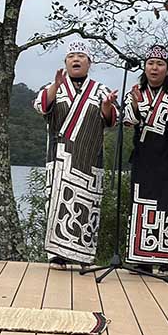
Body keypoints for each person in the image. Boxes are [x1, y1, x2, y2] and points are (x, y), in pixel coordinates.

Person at [33, 40, 118, 269]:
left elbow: (110, 120)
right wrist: (54, 86)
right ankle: (56, 255)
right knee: (56, 204)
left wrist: (107, 106)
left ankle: (83, 256)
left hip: (89, 158)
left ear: (89, 62)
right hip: (59, 157)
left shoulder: (100, 90)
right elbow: (41, 107)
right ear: (65, 62)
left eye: (81, 56)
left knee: (86, 205)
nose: (76, 59)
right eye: (71, 56)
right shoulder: (54, 87)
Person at [124, 45, 168, 274]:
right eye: (151, 63)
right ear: (145, 67)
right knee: (141, 203)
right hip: (143, 155)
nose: (155, 68)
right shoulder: (135, 91)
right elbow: (129, 122)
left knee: (167, 204)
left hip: (167, 155)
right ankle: (142, 259)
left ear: (167, 68)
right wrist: (133, 105)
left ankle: (165, 260)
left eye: (160, 64)